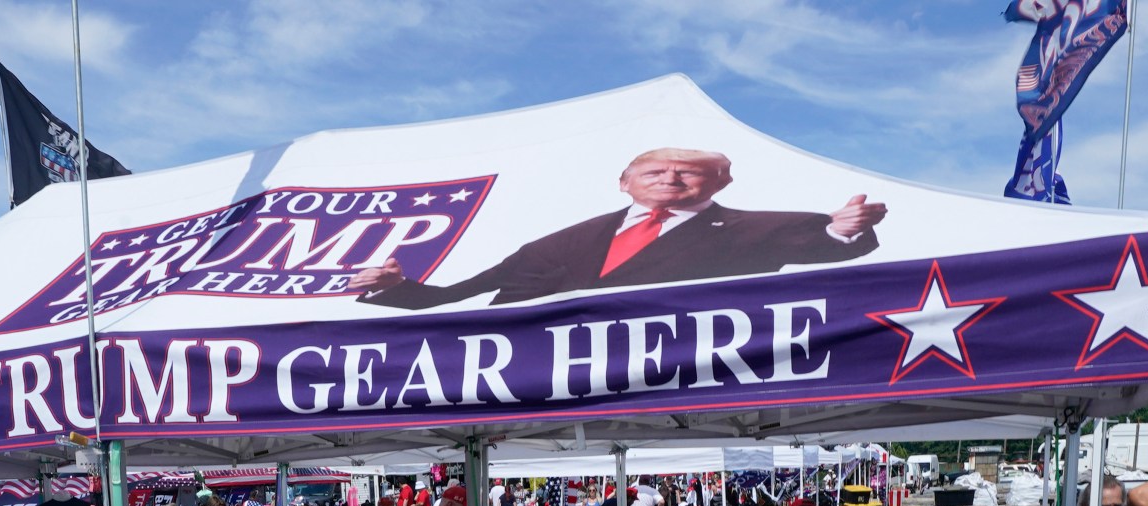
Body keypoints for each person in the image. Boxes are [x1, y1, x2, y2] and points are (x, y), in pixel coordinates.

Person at [351, 148, 886, 309]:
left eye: (692, 172)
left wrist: (844, 230)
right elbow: (462, 294)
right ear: (625, 182)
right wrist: (396, 288)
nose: (672, 179)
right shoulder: (565, 239)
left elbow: (821, 243)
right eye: (656, 171)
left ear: (719, 183)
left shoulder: (754, 227)